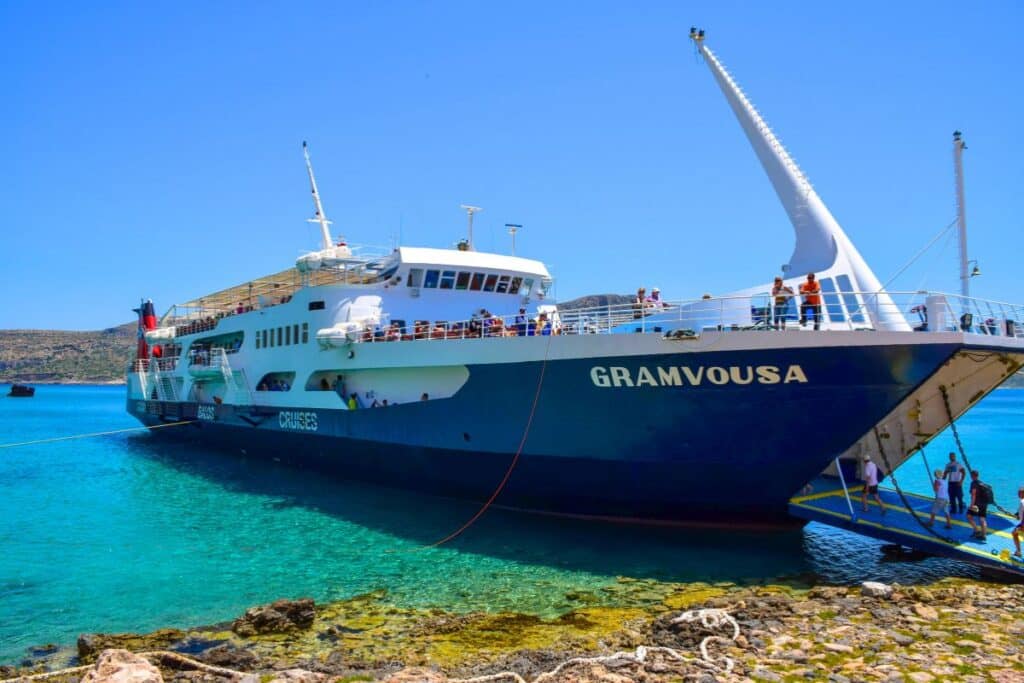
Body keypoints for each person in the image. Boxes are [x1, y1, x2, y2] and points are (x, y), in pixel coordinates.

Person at [966, 470, 989, 539]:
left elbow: (973, 494)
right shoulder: (982, 483)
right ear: (978, 475)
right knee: (982, 519)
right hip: (984, 504)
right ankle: (984, 535)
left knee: (969, 516)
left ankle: (976, 530)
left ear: (972, 476)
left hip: (976, 504)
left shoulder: (973, 483)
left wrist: (971, 505)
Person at [1013, 485, 1023, 558]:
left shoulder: (1022, 502)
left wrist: (1022, 525)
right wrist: (1017, 514)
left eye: (1019, 493)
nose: (1018, 494)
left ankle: (1018, 552)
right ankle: (1018, 551)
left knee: (1014, 533)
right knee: (1014, 533)